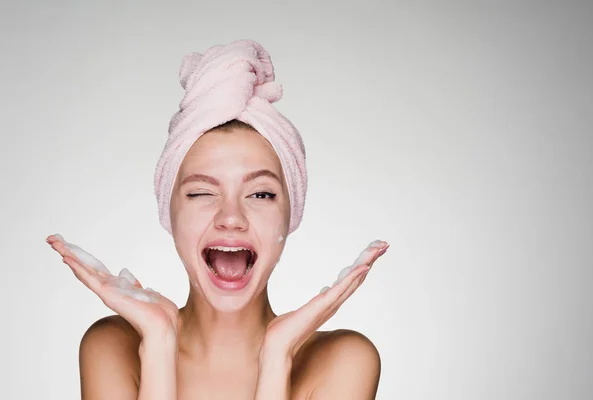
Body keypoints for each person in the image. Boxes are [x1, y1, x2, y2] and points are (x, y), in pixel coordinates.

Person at [46, 39, 389, 399]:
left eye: (260, 194)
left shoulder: (343, 360)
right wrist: (159, 344)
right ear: (169, 214)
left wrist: (277, 355)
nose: (231, 218)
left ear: (291, 214)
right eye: (201, 193)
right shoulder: (113, 346)